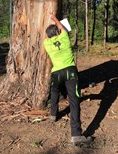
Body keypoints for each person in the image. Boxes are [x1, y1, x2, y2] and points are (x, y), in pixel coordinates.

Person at [43, 12, 92, 146]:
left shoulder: (46, 43)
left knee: (54, 92)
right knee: (74, 101)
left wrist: (52, 25)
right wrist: (55, 19)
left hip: (56, 73)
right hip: (70, 71)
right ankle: (76, 135)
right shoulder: (64, 38)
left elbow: (49, 34)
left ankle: (53, 115)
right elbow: (62, 28)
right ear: (58, 31)